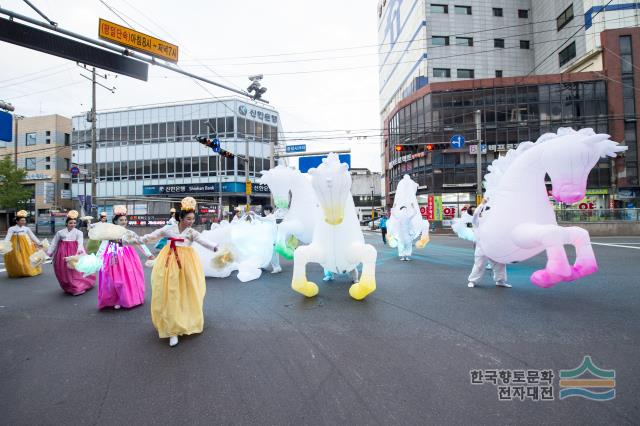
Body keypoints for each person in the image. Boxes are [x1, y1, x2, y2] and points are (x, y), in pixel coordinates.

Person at [139, 197, 219, 347]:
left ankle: (184, 320)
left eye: (192, 219)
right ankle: (172, 330)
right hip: (169, 263)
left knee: (187, 293)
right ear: (180, 217)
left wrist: (217, 248)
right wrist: (134, 239)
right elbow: (151, 236)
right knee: (170, 293)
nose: (191, 222)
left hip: (187, 265)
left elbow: (204, 241)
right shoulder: (168, 228)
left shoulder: (192, 232)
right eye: (188, 219)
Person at [96, 205, 154, 310]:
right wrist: (97, 258)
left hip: (127, 257)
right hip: (112, 255)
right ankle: (114, 299)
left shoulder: (129, 233)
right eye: (121, 220)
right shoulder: (109, 232)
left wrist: (148, 254)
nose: (124, 221)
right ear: (115, 221)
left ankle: (125, 299)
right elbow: (103, 245)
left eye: (125, 220)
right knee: (112, 279)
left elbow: (140, 243)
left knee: (126, 278)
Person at [47, 210, 96, 296]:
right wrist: (49, 253)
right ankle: (68, 285)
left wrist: (78, 253)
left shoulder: (79, 232)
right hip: (62, 254)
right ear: (66, 223)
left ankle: (77, 287)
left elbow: (80, 243)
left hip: (74, 252)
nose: (72, 224)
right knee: (63, 270)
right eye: (70, 223)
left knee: (75, 270)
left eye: (74, 223)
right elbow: (54, 243)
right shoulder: (60, 233)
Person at [467, 200, 511, 289]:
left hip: (494, 246)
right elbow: (476, 214)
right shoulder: (475, 221)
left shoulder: (490, 220)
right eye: (473, 210)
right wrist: (482, 204)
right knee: (479, 265)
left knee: (500, 264)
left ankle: (500, 281)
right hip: (481, 247)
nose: (476, 210)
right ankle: (472, 281)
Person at [3, 210, 43, 278]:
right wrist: (4, 245)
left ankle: (27, 271)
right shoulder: (12, 229)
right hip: (15, 246)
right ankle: (19, 271)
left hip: (26, 245)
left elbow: (32, 236)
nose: (23, 222)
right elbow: (8, 237)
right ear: (17, 221)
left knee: (27, 259)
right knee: (17, 259)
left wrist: (39, 243)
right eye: (22, 220)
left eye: (24, 220)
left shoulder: (26, 228)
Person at [261, 205, 282, 273]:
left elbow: (262, 219)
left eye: (266, 210)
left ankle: (276, 267)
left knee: (272, 254)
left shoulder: (270, 217)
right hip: (273, 238)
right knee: (274, 254)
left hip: (273, 239)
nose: (265, 211)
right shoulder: (270, 216)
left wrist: (254, 214)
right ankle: (277, 267)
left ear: (269, 211)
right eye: (264, 210)